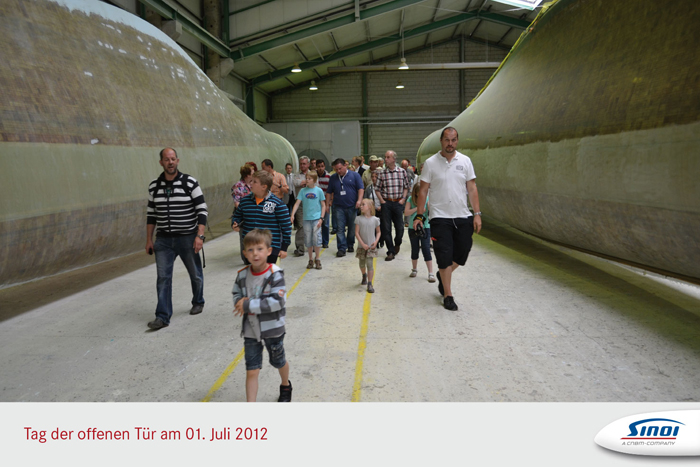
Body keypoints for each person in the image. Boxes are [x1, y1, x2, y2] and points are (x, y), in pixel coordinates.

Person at [414, 127, 482, 311]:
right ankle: (448, 295)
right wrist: (419, 215)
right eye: (447, 140)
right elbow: (423, 191)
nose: (450, 144)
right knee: (444, 255)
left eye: (453, 140)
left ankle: (443, 274)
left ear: (457, 141)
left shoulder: (465, 161)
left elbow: (472, 188)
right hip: (439, 217)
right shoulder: (431, 163)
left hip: (462, 215)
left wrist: (477, 214)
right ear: (441, 141)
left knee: (463, 252)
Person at [145, 147, 208, 330]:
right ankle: (162, 317)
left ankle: (198, 301)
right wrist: (149, 239)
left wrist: (199, 235)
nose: (170, 162)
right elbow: (151, 215)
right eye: (167, 159)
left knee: (195, 274)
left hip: (187, 237)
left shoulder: (190, 183)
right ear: (161, 162)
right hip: (164, 240)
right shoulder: (154, 186)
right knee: (163, 278)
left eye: (173, 159)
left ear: (177, 161)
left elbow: (202, 210)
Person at [232, 229, 292, 402]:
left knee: (278, 362)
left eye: (259, 249)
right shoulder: (242, 275)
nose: (255, 254)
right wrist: (239, 301)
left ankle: (285, 384)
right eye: (250, 250)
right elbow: (237, 294)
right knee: (252, 369)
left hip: (273, 329)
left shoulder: (275, 274)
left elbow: (276, 302)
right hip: (251, 330)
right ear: (244, 253)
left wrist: (248, 304)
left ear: (269, 251)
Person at [232, 171, 292, 265]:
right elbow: (237, 216)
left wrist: (284, 248)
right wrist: (235, 223)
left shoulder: (277, 204)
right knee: (252, 274)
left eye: (254, 182)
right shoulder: (245, 202)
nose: (251, 184)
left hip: (271, 248)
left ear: (264, 187)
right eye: (251, 181)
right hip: (250, 248)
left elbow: (286, 227)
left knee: (269, 274)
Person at [375, 150, 411, 261]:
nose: (385, 159)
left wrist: (403, 199)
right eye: (385, 157)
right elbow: (377, 189)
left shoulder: (402, 172)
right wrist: (382, 201)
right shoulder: (382, 173)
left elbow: (406, 187)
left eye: (388, 157)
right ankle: (390, 251)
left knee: (400, 228)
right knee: (386, 228)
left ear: (394, 159)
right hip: (386, 203)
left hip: (398, 203)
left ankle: (397, 243)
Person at [327, 158, 364, 257]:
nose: (338, 171)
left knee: (352, 228)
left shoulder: (355, 175)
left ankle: (350, 244)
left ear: (345, 166)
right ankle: (341, 248)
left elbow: (361, 188)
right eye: (336, 169)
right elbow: (329, 192)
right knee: (340, 228)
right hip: (338, 207)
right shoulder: (333, 178)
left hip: (352, 206)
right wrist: (327, 205)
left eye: (340, 168)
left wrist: (359, 200)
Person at [290, 171, 326, 270]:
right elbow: (297, 203)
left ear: (314, 180)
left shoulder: (319, 191)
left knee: (316, 238)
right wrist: (292, 214)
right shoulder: (302, 191)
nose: (307, 180)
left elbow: (323, 205)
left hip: (316, 219)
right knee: (308, 239)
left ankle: (317, 258)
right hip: (306, 219)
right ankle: (310, 259)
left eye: (309, 179)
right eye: (306, 178)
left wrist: (321, 218)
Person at [404, 181, 435, 282]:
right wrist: (418, 209)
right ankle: (414, 269)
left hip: (425, 227)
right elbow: (406, 212)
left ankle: (431, 273)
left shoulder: (427, 199)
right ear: (416, 192)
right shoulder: (410, 199)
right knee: (415, 248)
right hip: (413, 228)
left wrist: (429, 206)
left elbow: (431, 210)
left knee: (426, 249)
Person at [355, 199, 380, 293]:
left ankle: (370, 283)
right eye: (361, 205)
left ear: (369, 207)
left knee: (370, 264)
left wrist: (376, 241)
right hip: (362, 246)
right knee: (362, 264)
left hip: (371, 246)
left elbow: (378, 232)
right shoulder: (358, 219)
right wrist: (362, 244)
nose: (361, 206)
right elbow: (357, 233)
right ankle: (364, 275)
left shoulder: (375, 219)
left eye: (363, 204)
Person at [232, 164, 255, 263]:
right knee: (245, 238)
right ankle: (246, 259)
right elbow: (237, 204)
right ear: (247, 175)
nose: (254, 174)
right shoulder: (238, 186)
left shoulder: (253, 184)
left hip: (255, 214)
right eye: (252, 172)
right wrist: (248, 210)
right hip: (244, 216)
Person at [292, 156, 312, 256]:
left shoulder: (313, 174)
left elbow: (315, 185)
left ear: (308, 164)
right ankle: (300, 248)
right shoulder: (296, 175)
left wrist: (305, 183)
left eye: (304, 164)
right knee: (301, 226)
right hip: (300, 204)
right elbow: (295, 183)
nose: (302, 166)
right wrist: (305, 183)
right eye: (301, 164)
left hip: (311, 203)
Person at [315, 160, 331, 248]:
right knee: (316, 223)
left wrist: (330, 201)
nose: (320, 168)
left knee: (325, 223)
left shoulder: (328, 177)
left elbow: (331, 190)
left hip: (325, 202)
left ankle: (325, 241)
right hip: (315, 203)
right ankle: (317, 241)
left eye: (322, 166)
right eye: (319, 166)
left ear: (324, 167)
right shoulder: (313, 176)